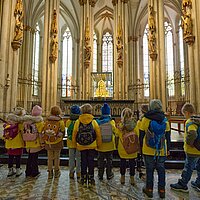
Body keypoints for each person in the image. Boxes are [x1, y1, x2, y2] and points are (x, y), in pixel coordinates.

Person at [139, 99, 171, 199]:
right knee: (161, 170)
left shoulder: (145, 119)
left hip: (148, 149)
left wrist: (140, 149)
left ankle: (149, 190)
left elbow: (141, 136)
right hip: (161, 150)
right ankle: (162, 190)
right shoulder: (165, 120)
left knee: (149, 170)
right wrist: (168, 149)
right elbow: (168, 137)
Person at [170, 103, 200, 192]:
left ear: (187, 113)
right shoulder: (198, 120)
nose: (184, 116)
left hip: (192, 150)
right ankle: (198, 183)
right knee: (199, 167)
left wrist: (190, 142)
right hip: (199, 149)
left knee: (188, 168)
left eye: (184, 114)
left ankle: (182, 184)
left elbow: (193, 133)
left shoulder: (190, 121)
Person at [72, 103, 102, 187]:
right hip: (92, 145)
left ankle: (83, 178)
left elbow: (74, 134)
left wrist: (75, 145)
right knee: (91, 161)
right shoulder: (94, 121)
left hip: (81, 145)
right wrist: (99, 144)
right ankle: (91, 177)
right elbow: (98, 134)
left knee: (83, 161)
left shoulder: (78, 121)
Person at [115, 108, 139, 185]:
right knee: (132, 163)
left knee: (122, 162)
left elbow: (116, 136)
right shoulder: (135, 124)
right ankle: (132, 179)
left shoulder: (120, 125)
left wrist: (116, 145)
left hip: (122, 147)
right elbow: (137, 135)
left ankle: (122, 177)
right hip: (132, 147)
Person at [96, 103, 119, 181]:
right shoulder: (111, 122)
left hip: (100, 145)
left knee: (100, 161)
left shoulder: (98, 122)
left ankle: (100, 175)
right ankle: (109, 174)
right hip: (110, 145)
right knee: (109, 161)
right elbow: (115, 132)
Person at [43, 105, 65, 179]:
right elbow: (62, 131)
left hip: (48, 141)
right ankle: (56, 172)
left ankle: (49, 173)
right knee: (57, 157)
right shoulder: (60, 121)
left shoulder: (47, 120)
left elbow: (44, 129)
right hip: (57, 141)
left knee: (49, 158)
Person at [3, 107, 26, 177]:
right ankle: (18, 170)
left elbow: (4, 135)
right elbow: (22, 133)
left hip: (9, 144)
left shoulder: (6, 126)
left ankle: (10, 170)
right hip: (18, 143)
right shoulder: (20, 125)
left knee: (10, 157)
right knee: (18, 157)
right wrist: (24, 141)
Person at [24, 105, 44, 178]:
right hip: (35, 142)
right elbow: (41, 134)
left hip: (28, 142)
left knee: (29, 157)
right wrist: (42, 143)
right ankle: (35, 172)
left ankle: (28, 172)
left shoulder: (26, 122)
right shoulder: (40, 122)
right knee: (35, 158)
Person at [66, 105, 81, 179]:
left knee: (71, 158)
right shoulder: (80, 121)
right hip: (78, 142)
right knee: (79, 158)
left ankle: (71, 172)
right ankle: (78, 172)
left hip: (70, 142)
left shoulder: (68, 121)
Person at [136, 104, 149, 181]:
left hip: (144, 144)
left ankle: (147, 177)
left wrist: (139, 145)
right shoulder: (154, 119)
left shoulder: (141, 121)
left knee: (143, 159)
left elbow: (139, 134)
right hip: (155, 145)